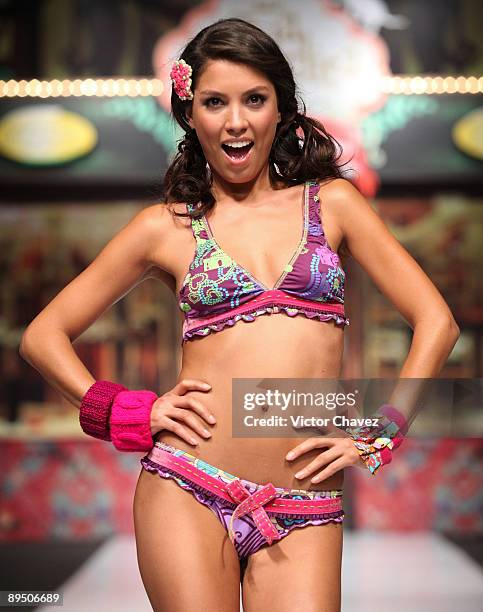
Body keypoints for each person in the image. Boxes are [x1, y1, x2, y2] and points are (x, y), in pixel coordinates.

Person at [19, 17, 460, 612]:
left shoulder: (333, 204)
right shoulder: (167, 226)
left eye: (255, 99)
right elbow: (43, 336)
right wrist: (129, 410)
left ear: (281, 108)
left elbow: (437, 321)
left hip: (304, 501)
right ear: (190, 112)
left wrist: (382, 434)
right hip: (187, 482)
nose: (235, 121)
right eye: (214, 102)